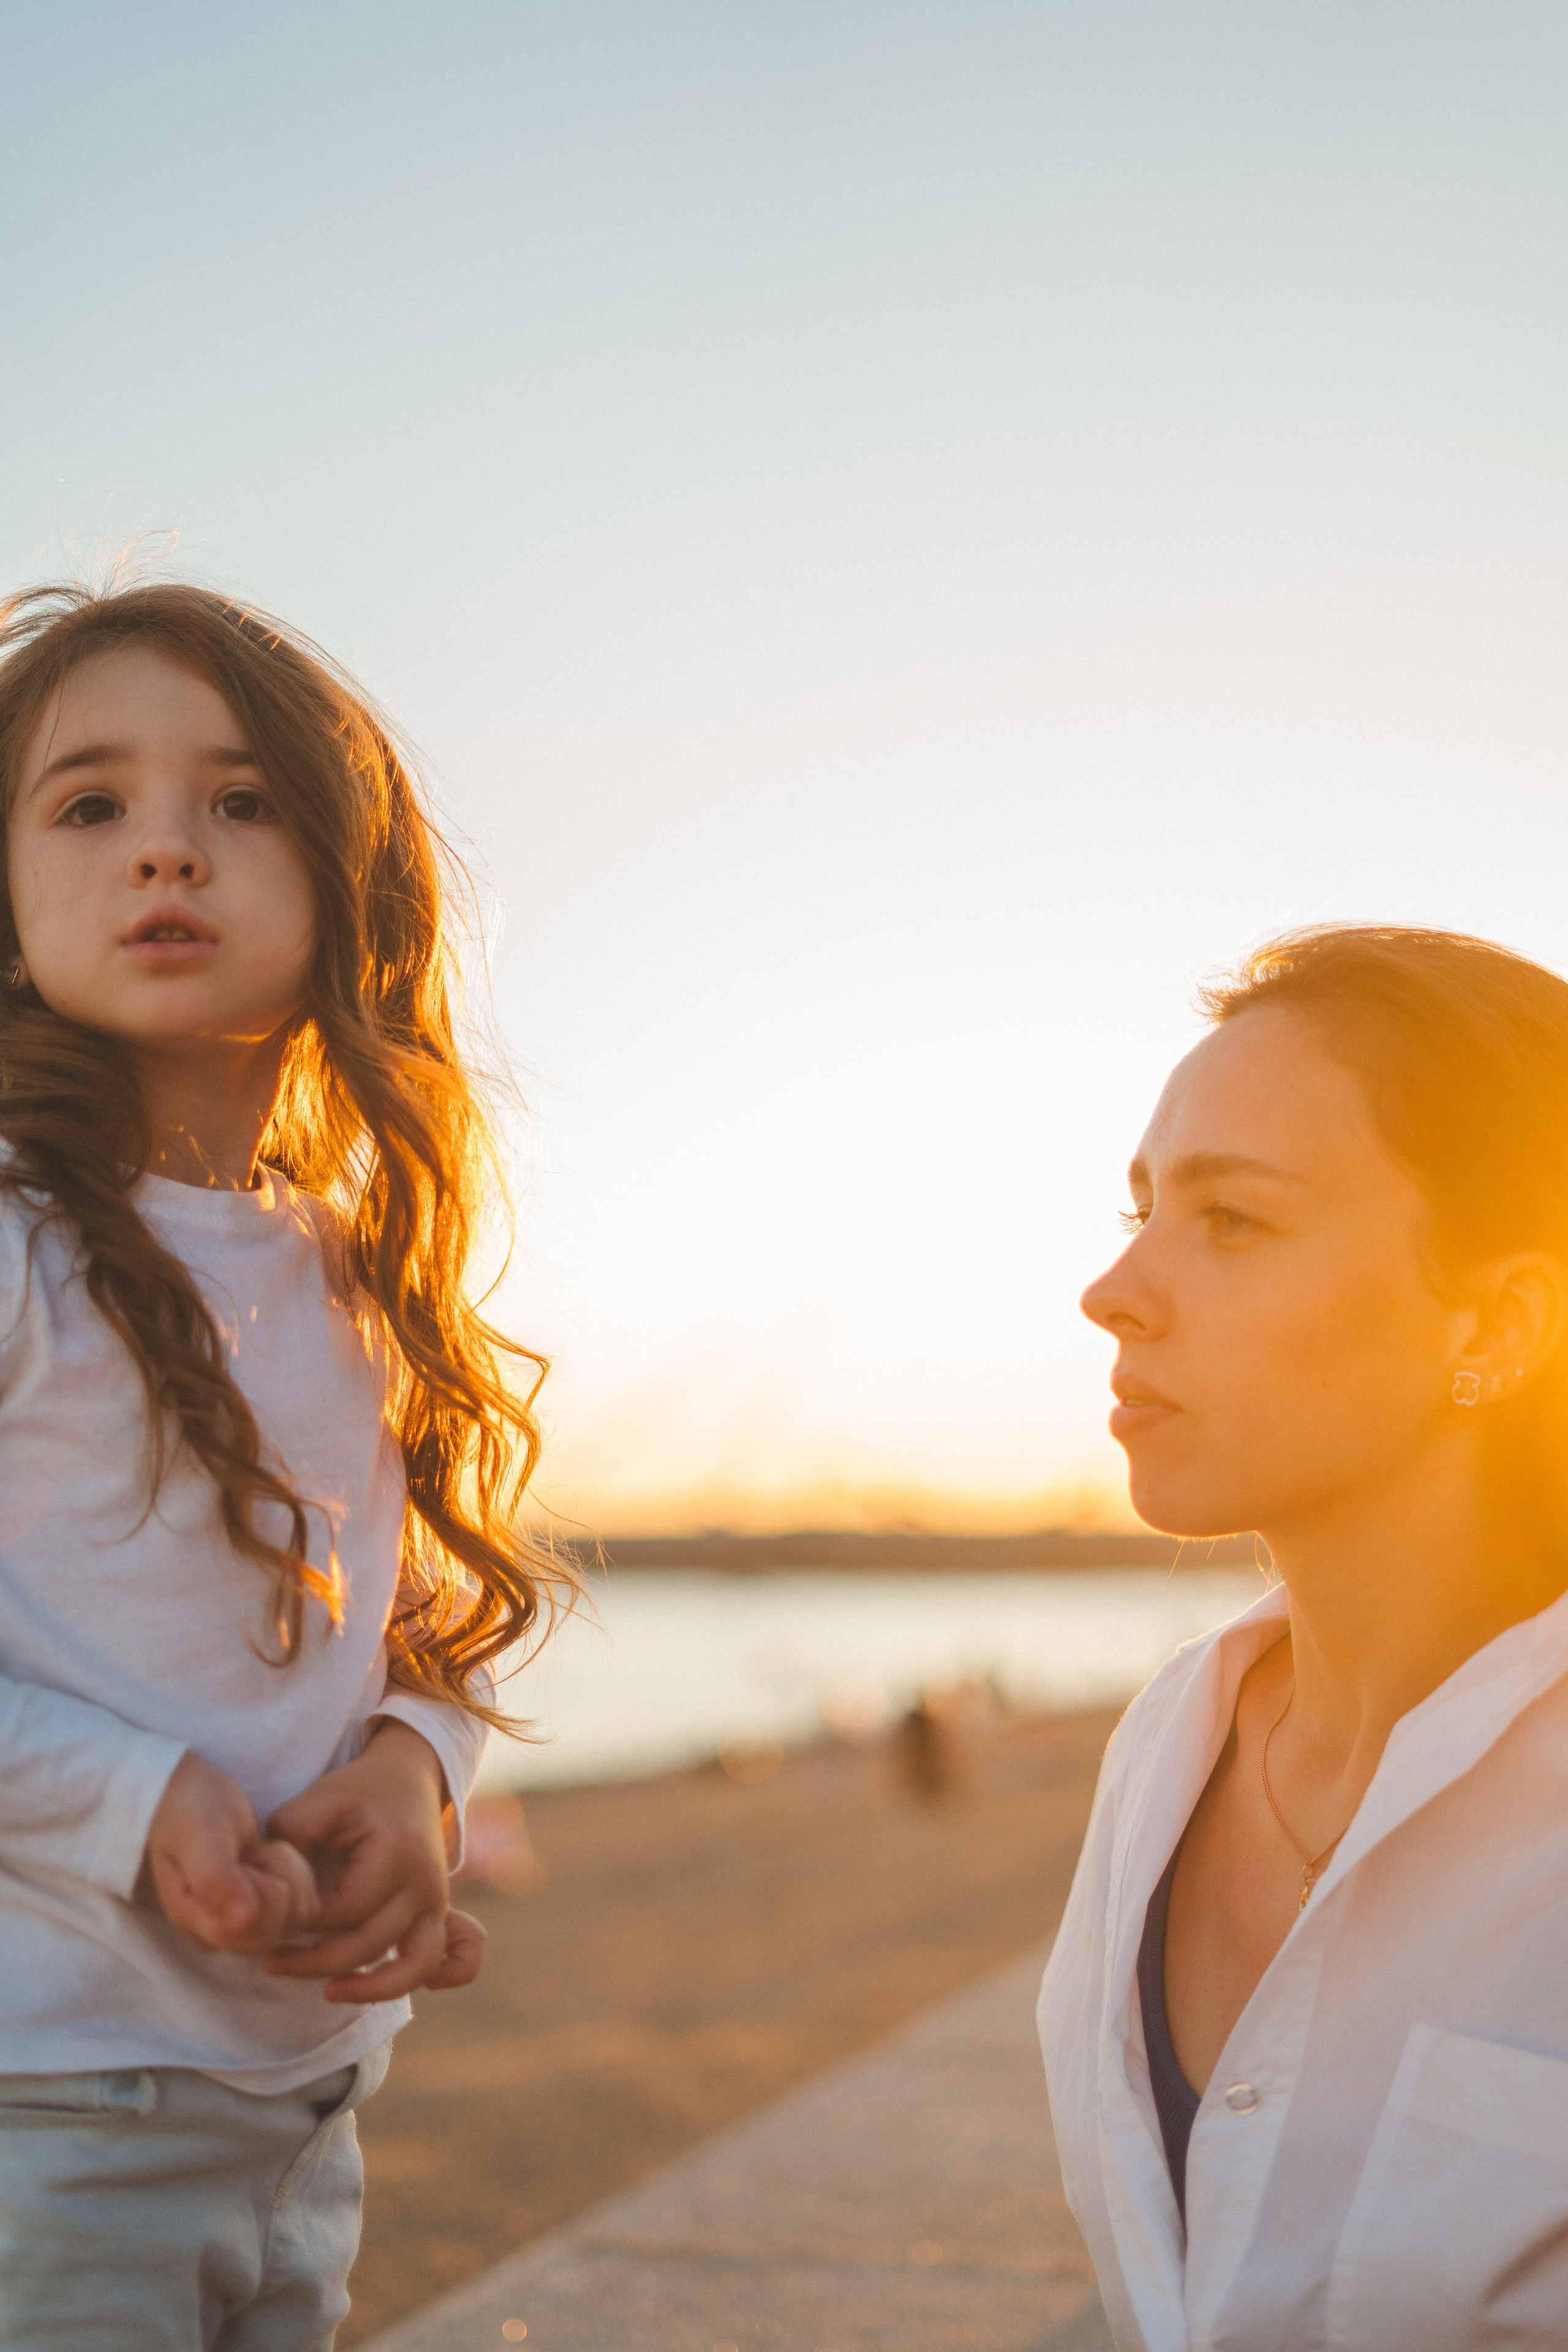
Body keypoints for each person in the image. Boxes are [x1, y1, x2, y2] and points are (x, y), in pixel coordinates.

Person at [0, 581, 559, 2348]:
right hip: (42, 2116)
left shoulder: (350, 1277)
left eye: (240, 802)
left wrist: (415, 1773)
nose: (166, 850)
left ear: (347, 889)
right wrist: (140, 1798)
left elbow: (412, 1632)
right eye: (91, 805)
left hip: (303, 2113)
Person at [1038, 924, 1568, 2352]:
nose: (1113, 1290)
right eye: (1139, 1208)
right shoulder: (1165, 1743)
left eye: (1232, 1221)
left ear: (1505, 1318)